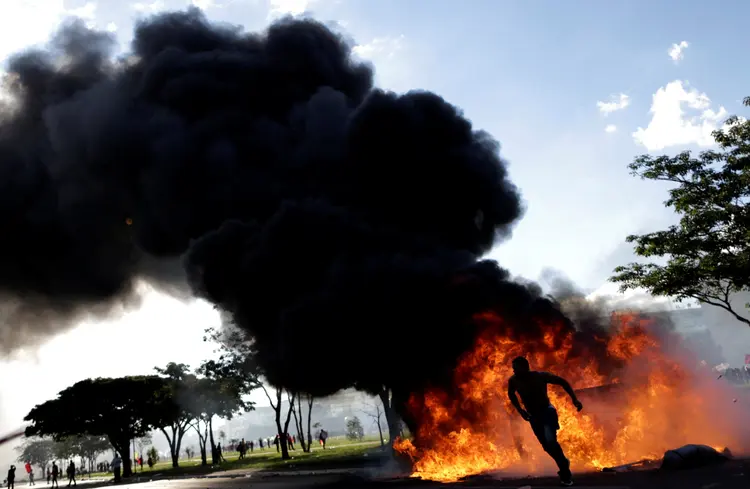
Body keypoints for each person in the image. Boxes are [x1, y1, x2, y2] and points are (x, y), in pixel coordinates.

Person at [507, 356, 583, 487]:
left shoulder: (540, 376)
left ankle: (565, 473)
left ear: (525, 367)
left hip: (547, 411)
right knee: (547, 446)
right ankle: (563, 462)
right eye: (513, 368)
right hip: (533, 416)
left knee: (551, 440)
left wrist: (574, 399)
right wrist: (520, 410)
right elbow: (511, 394)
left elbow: (562, 382)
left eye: (516, 368)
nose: (513, 371)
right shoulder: (513, 381)